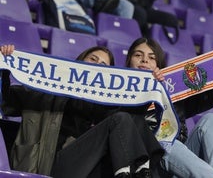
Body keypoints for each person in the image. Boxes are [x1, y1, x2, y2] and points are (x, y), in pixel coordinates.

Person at [0, 45, 164, 178]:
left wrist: (149, 86)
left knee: (123, 119)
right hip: (46, 167)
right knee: (120, 119)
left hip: (83, 169)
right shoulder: (43, 91)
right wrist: (4, 70)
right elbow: (5, 102)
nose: (96, 65)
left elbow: (131, 120)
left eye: (103, 65)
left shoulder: (103, 104)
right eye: (93, 59)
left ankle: (139, 171)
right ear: (79, 61)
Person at [123, 37, 213, 177]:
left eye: (152, 57)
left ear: (159, 65)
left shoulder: (172, 94)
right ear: (129, 60)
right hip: (149, 166)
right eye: (138, 55)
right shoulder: (117, 95)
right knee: (164, 142)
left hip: (179, 166)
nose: (145, 60)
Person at [104, 0, 179, 37]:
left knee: (171, 20)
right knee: (141, 15)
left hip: (143, 5)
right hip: (124, 1)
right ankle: (137, 41)